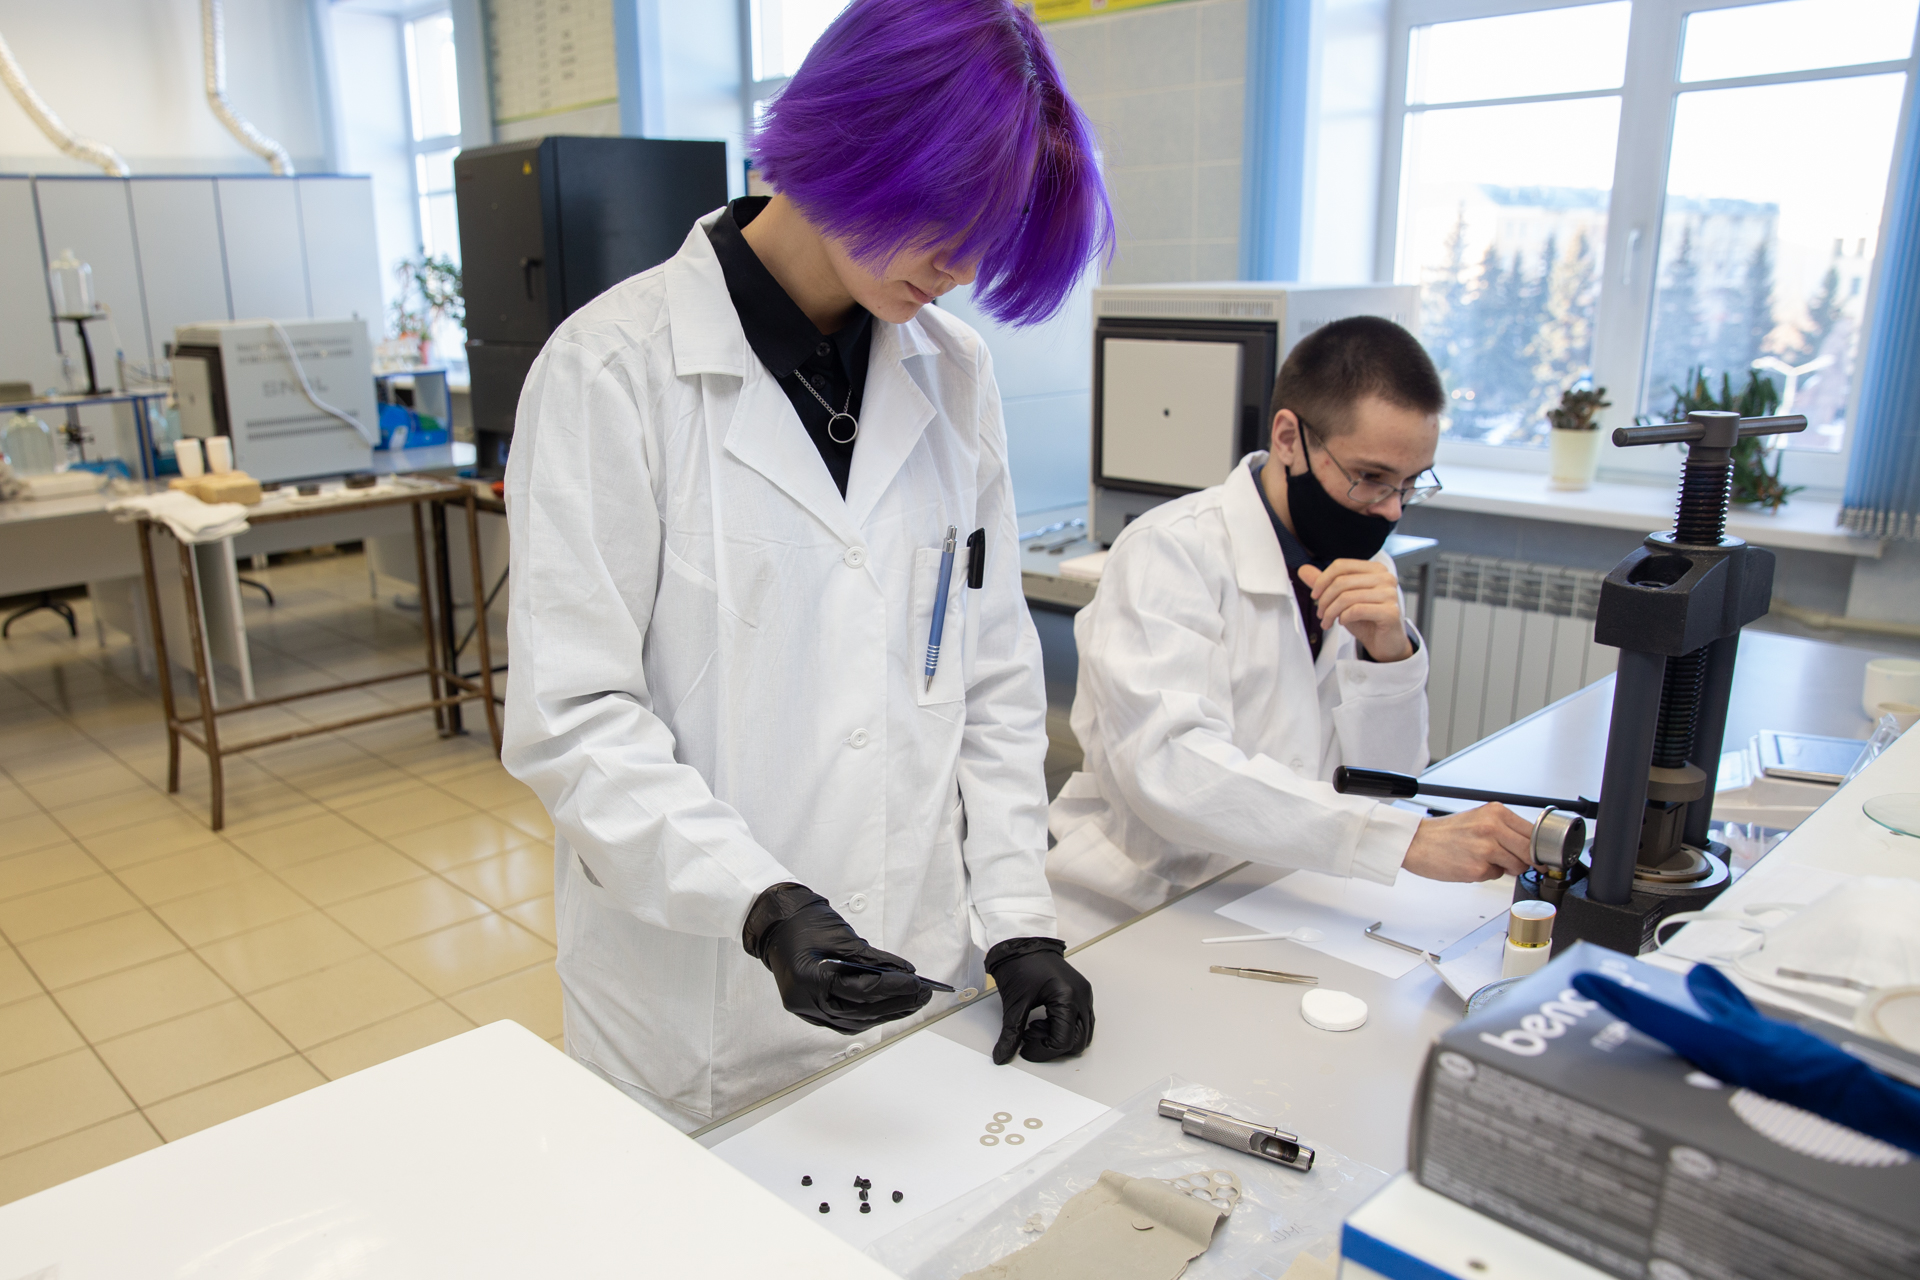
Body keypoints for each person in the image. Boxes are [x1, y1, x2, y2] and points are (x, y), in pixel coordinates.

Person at [501, 0, 1110, 1130]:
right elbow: (574, 719)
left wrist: (1019, 920)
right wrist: (761, 904)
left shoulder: (954, 373)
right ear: (857, 141)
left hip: (910, 971)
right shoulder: (610, 370)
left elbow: (989, 676)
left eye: (992, 235)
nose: (962, 268)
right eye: (953, 220)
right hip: (700, 1004)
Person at [1047, 317, 1535, 940]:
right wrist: (1403, 842)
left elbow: (1386, 783)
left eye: (1411, 484)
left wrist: (1388, 656)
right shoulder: (1169, 552)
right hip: (1142, 904)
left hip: (1290, 897)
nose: (1390, 509)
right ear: (1288, 438)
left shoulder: (1366, 568)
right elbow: (1173, 770)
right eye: (1371, 477)